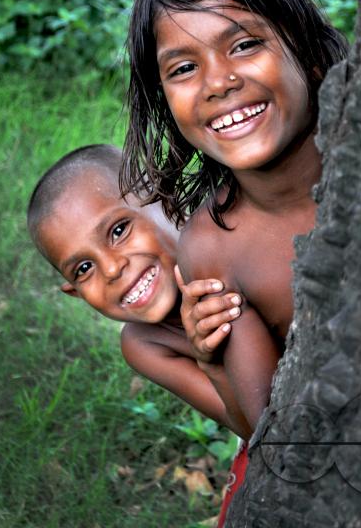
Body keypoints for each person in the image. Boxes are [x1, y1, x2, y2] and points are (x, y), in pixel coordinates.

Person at [121, 0, 348, 436]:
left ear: (308, 53)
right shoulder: (213, 251)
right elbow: (267, 431)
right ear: (166, 104)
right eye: (184, 68)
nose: (218, 82)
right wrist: (213, 363)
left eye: (244, 45)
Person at [27, 143, 250, 440]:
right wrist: (211, 364)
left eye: (118, 231)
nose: (111, 269)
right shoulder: (144, 344)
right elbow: (252, 429)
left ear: (163, 195)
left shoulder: (230, 229)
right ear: (75, 292)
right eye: (83, 269)